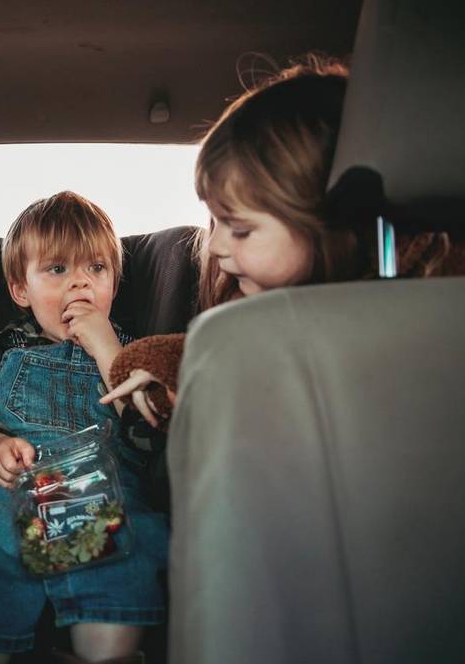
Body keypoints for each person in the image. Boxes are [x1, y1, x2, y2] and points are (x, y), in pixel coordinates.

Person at [0, 191, 168, 664]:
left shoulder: (134, 351)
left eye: (96, 267)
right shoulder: (5, 343)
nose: (79, 282)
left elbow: (147, 436)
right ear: (20, 290)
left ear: (114, 283)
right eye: (56, 269)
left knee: (114, 572)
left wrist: (109, 353)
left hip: (100, 490)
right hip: (9, 491)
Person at [102, 58, 360, 421]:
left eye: (239, 229)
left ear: (328, 222)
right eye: (213, 222)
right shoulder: (248, 312)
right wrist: (179, 369)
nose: (215, 247)